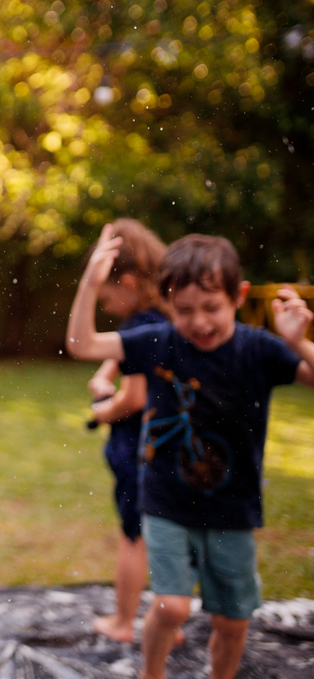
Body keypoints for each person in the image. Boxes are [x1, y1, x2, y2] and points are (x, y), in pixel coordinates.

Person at [66, 228, 314, 679]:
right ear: (166, 302)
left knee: (233, 619)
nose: (199, 322)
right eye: (183, 311)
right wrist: (89, 283)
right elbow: (82, 344)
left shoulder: (257, 349)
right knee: (172, 605)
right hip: (166, 501)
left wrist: (299, 343)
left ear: (237, 296)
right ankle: (152, 674)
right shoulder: (159, 341)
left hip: (233, 508)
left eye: (211, 308)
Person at [83, 219, 168, 643]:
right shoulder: (165, 320)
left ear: (130, 282)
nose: (106, 303)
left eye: (108, 293)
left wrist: (101, 410)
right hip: (170, 446)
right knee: (166, 534)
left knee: (133, 536)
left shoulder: (136, 328)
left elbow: (133, 398)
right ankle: (168, 619)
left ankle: (123, 622)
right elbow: (123, 363)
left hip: (138, 448)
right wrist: (106, 373)